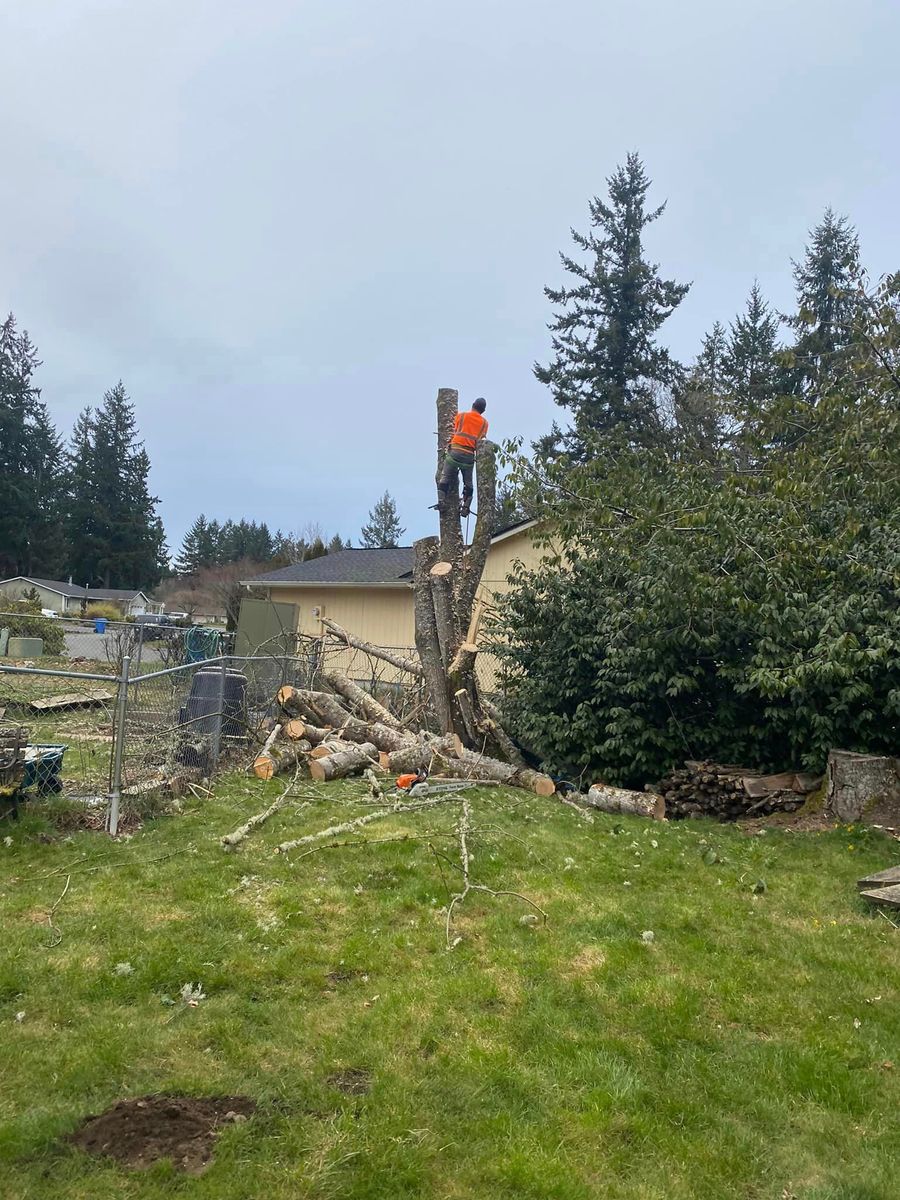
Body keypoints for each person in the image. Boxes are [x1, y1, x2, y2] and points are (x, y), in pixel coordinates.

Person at [437, 397, 488, 517]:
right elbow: (481, 439)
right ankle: (466, 507)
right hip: (469, 456)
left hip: (455, 452)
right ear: (483, 411)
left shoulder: (462, 416)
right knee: (468, 483)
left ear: (473, 405)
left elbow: (455, 429)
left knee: (445, 477)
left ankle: (441, 502)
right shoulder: (485, 423)